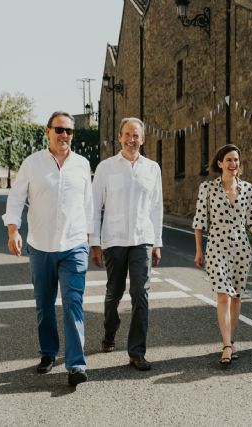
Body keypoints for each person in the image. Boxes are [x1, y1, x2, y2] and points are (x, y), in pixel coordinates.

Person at [3, 111, 93, 386]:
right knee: (44, 303)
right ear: (48, 131)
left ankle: (76, 365)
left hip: (74, 245)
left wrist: (92, 240)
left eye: (68, 131)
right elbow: (16, 198)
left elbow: (89, 206)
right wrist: (14, 230)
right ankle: (48, 352)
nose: (64, 135)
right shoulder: (32, 164)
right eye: (59, 129)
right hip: (40, 246)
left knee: (73, 303)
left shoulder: (82, 164)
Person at [90, 117, 163, 371]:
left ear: (142, 139)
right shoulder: (106, 168)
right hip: (114, 240)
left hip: (142, 238)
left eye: (137, 136)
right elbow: (94, 206)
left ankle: (136, 352)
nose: (132, 140)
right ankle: (110, 331)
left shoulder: (152, 168)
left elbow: (156, 207)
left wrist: (157, 242)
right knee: (114, 292)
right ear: (119, 137)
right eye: (127, 135)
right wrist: (94, 242)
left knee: (140, 294)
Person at [192, 144, 252, 367]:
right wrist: (198, 249)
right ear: (220, 163)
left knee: (236, 297)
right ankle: (226, 345)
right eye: (229, 160)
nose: (233, 164)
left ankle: (231, 340)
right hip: (216, 247)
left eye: (236, 160)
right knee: (223, 295)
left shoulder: (248, 189)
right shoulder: (207, 188)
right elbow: (199, 221)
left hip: (241, 248)